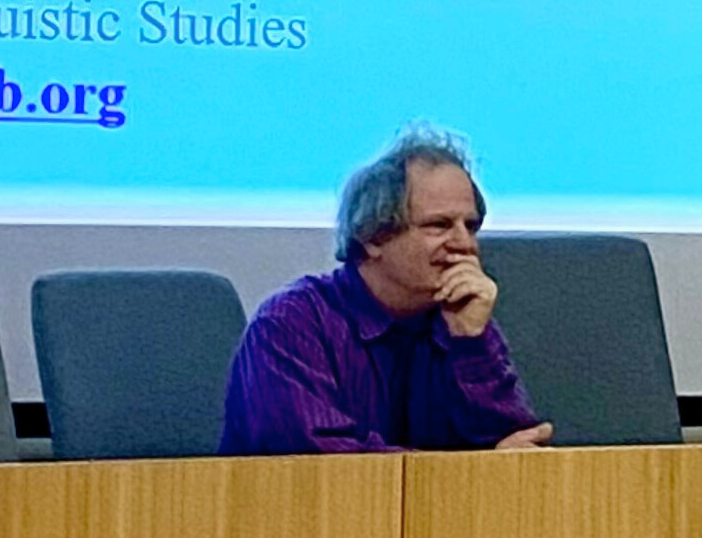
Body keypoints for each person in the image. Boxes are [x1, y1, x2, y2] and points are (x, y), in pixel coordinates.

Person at [220, 127, 554, 453]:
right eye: (439, 225)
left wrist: (471, 343)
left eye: (471, 226)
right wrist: (469, 472)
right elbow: (319, 460)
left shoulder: (462, 319)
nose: (464, 244)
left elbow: (517, 447)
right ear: (373, 236)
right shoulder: (290, 323)